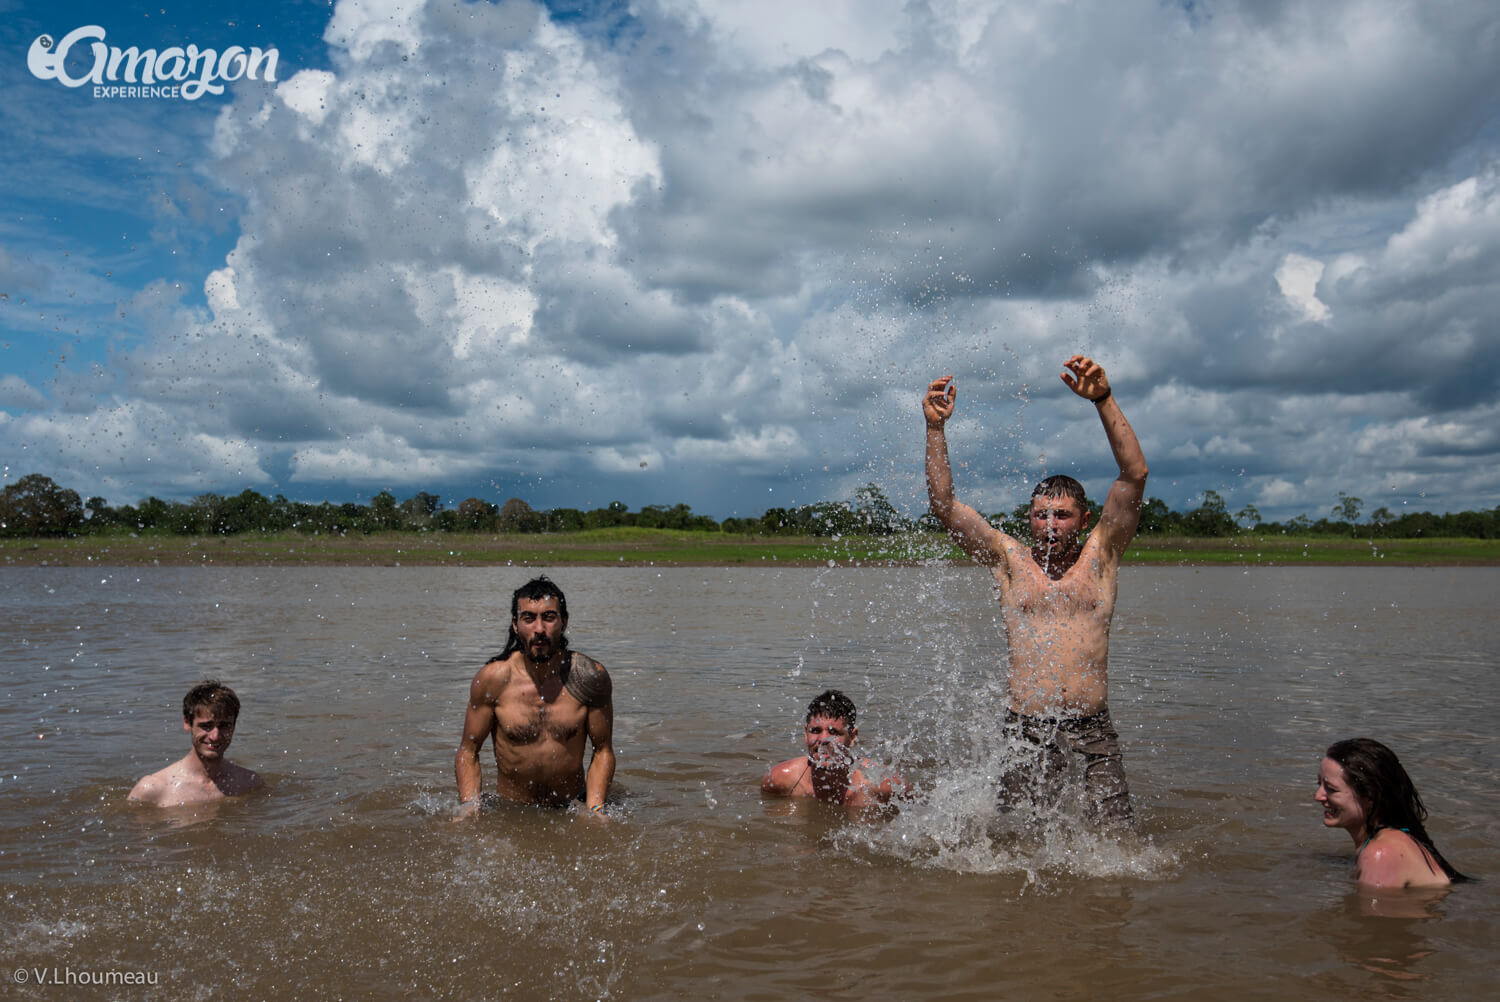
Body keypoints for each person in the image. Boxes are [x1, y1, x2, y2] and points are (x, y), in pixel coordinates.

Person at [923, 355, 1148, 827]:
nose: (1049, 526)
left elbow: (1134, 476)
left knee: (1116, 838)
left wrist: (1103, 400)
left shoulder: (1102, 556)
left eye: (1061, 515)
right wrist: (935, 431)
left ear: (1084, 521)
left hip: (1092, 727)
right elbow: (944, 506)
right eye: (1040, 515)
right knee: (1016, 839)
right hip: (1025, 728)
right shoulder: (1009, 560)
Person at [455, 576, 615, 817]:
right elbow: (468, 751)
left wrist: (595, 809)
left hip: (572, 805)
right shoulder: (493, 680)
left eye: (548, 617)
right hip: (512, 809)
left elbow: (603, 750)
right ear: (515, 625)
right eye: (529, 618)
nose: (539, 629)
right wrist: (469, 807)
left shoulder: (589, 678)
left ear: (564, 622)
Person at [1315, 737, 1465, 888]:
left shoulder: (1380, 854)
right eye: (1319, 784)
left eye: (1331, 789)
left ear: (1370, 797)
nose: (1318, 796)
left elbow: (1372, 912)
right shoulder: (1394, 838)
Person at [128, 680, 262, 806]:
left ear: (234, 726)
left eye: (224, 725)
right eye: (206, 726)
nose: (215, 736)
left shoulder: (249, 783)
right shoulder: (153, 789)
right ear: (187, 723)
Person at [762, 689, 904, 807]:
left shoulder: (882, 784)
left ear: (852, 737)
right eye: (816, 731)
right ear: (806, 734)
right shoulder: (780, 780)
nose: (824, 740)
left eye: (834, 732)